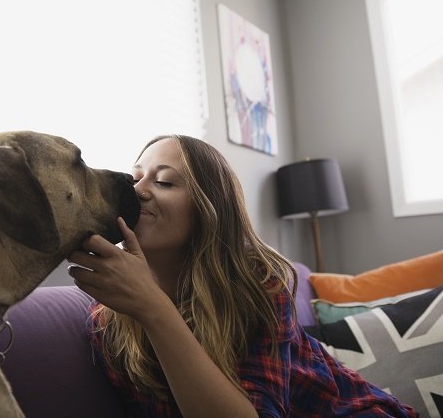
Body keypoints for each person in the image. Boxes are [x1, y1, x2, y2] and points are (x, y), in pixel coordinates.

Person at [67, 135, 418, 418]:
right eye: (135, 177)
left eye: (164, 181)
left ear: (209, 210)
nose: (138, 189)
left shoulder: (257, 284)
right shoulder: (108, 317)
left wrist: (154, 308)